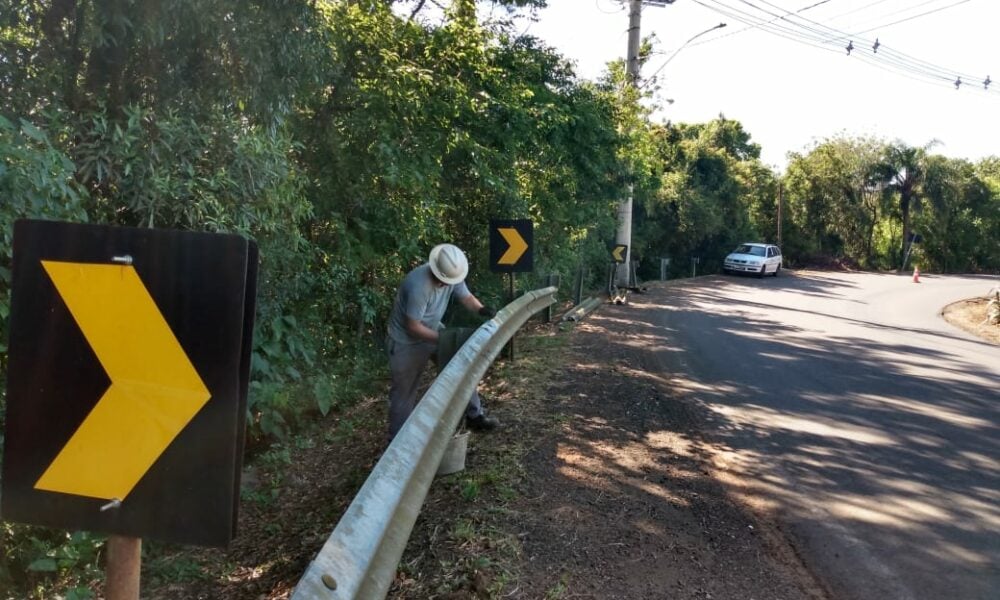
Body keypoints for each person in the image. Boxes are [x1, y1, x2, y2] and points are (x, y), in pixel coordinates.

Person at [386, 243, 500, 441]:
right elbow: (413, 326)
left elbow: (466, 297)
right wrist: (445, 339)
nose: (445, 285)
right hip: (405, 342)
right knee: (403, 394)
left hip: (432, 328)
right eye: (441, 281)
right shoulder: (418, 285)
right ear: (434, 269)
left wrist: (481, 310)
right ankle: (397, 443)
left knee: (461, 369)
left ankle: (475, 415)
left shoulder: (452, 273)